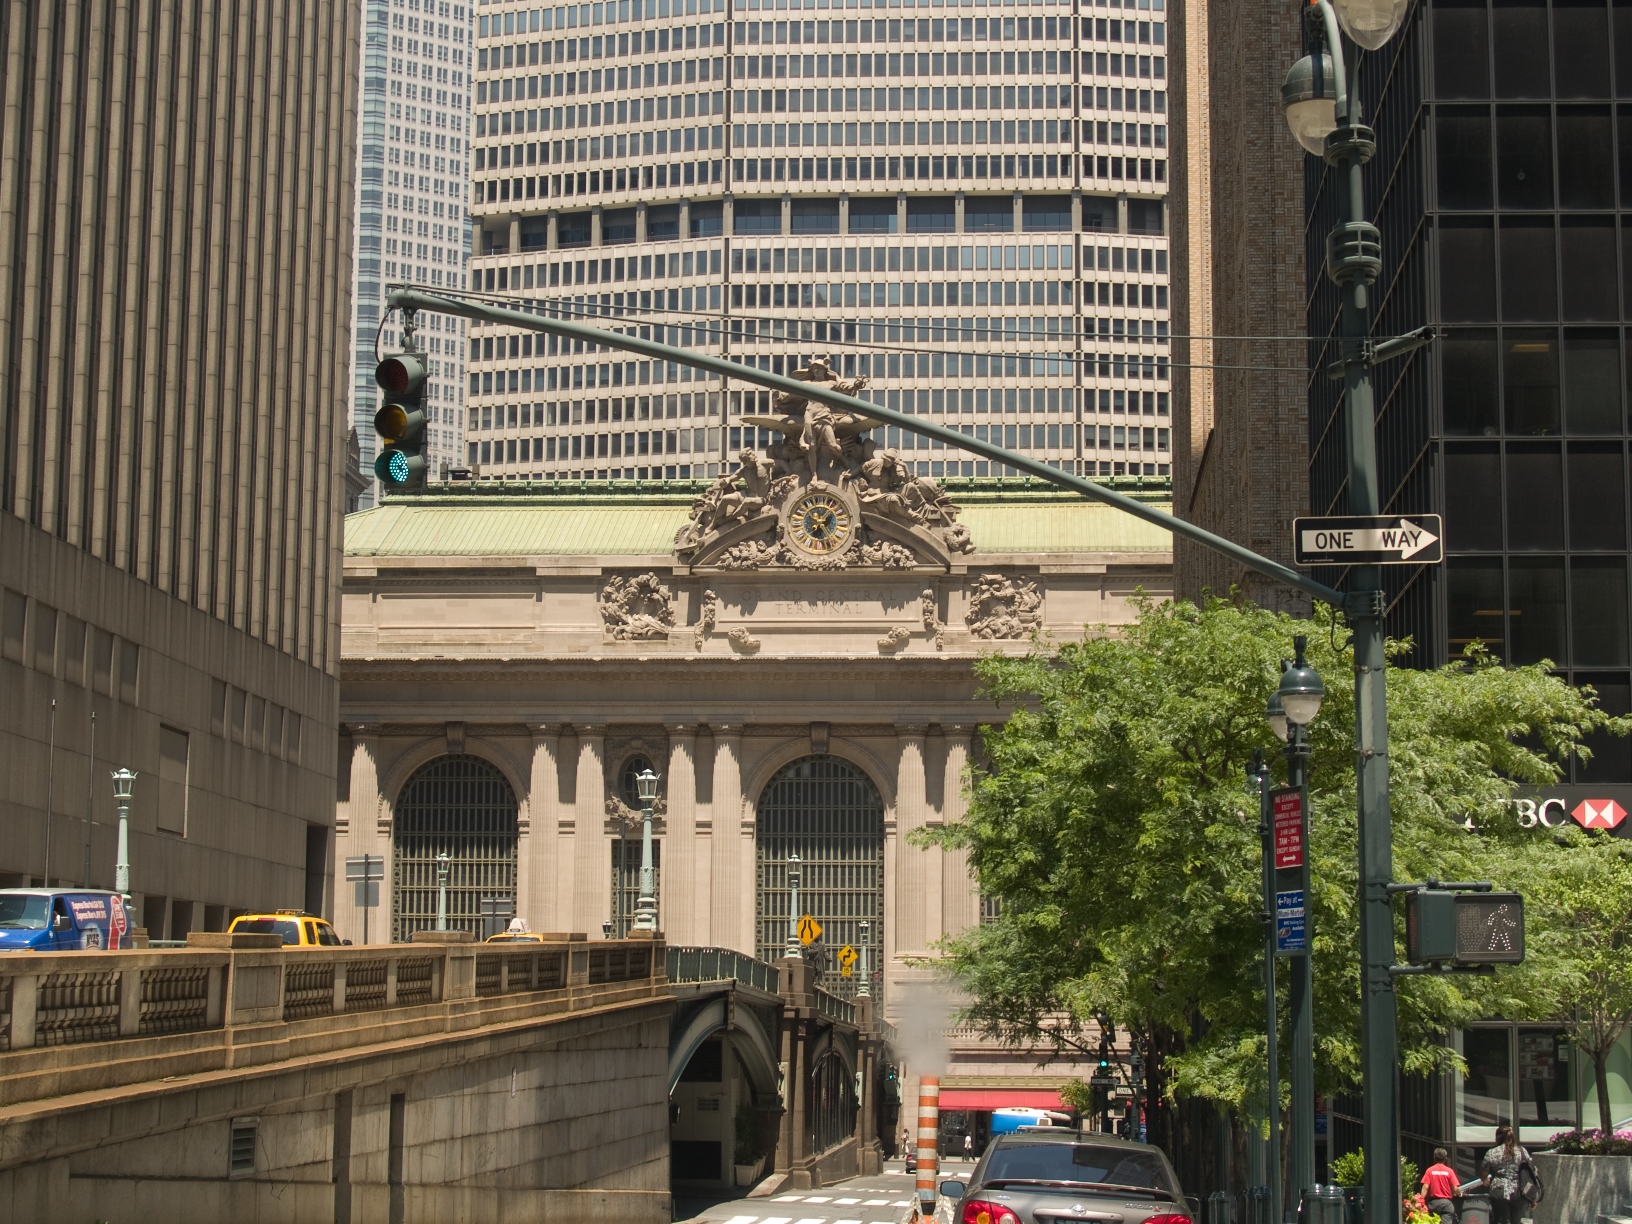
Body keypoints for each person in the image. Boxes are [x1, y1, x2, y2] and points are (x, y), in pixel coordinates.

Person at [1482, 1126, 1534, 1224]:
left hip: (1499, 1190)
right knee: (1516, 1221)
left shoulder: (1492, 1152)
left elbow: (1483, 1173)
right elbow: (1530, 1171)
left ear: (1497, 1137)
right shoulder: (1522, 1151)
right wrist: (1532, 1197)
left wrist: (1485, 1181)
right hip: (1519, 1191)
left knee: (1500, 1221)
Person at [1421, 1147, 1460, 1221]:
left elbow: (1425, 1187)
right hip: (1446, 1204)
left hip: (1433, 1203)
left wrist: (1421, 1200)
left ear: (1434, 1158)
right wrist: (1460, 1194)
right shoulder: (1449, 1171)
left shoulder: (1429, 1171)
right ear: (1445, 1158)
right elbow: (1455, 1188)